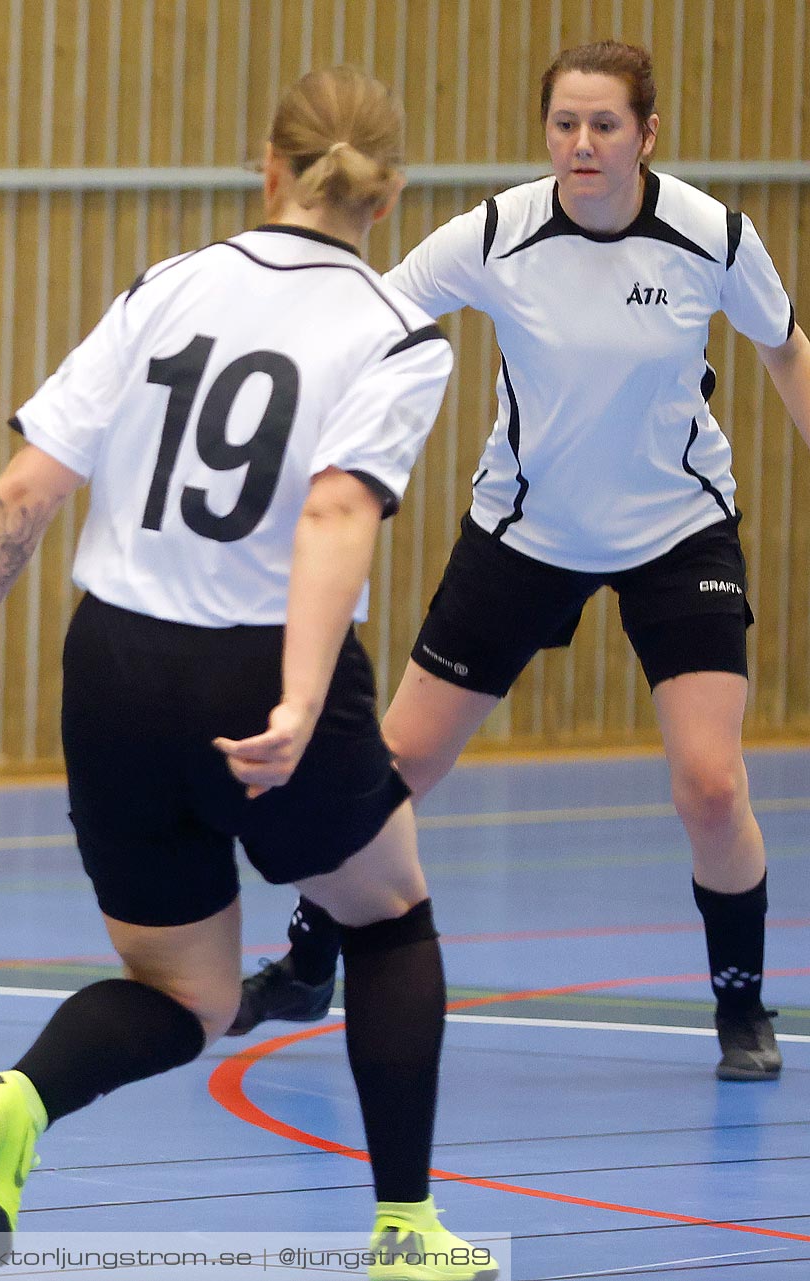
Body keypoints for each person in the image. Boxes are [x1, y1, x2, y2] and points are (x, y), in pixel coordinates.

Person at [0, 68, 497, 1281]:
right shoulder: (395, 332)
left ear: (268, 165)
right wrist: (304, 704)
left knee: (188, 992)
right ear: (391, 194)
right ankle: (407, 1230)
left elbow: (27, 489)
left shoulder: (167, 286)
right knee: (389, 914)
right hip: (257, 667)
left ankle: (19, 1101)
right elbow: (333, 514)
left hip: (109, 664)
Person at [231, 41, 806, 1086]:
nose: (582, 145)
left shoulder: (713, 237)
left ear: (648, 134)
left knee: (712, 785)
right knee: (397, 765)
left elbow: (783, 346)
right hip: (522, 534)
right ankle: (310, 960)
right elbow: (374, 314)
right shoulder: (497, 234)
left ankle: (741, 1006)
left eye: (605, 126)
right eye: (564, 125)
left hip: (678, 530)